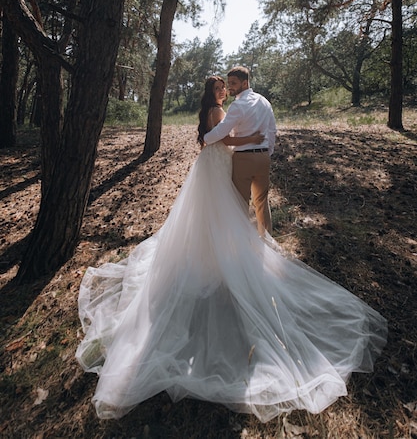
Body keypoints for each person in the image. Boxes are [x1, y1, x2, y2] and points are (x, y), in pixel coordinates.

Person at [76, 75, 387, 422]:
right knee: (220, 215)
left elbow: (223, 138)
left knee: (220, 215)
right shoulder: (216, 110)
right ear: (213, 92)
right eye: (220, 86)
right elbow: (224, 140)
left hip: (218, 164)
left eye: (226, 85)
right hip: (218, 163)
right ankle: (220, 260)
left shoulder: (220, 108)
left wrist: (248, 139)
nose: (224, 90)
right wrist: (255, 138)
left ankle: (218, 255)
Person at [204, 66, 276, 236]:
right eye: (229, 83)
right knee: (262, 203)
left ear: (245, 82)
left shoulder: (238, 105)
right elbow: (272, 131)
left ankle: (244, 244)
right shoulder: (264, 101)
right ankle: (267, 242)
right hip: (263, 157)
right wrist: (267, 152)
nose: (230, 87)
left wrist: (205, 138)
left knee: (240, 204)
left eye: (233, 83)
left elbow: (222, 131)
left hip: (243, 159)